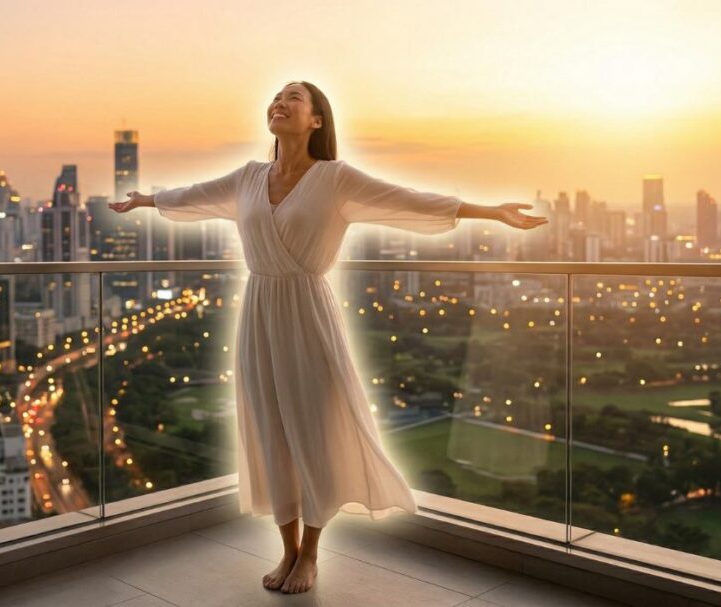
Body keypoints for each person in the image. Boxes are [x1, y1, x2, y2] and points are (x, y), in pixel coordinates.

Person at [109, 80, 547, 594]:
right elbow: (194, 194)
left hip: (309, 313)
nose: (280, 102)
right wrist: (145, 199)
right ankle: (288, 549)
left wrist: (490, 211)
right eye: (276, 96)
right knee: (271, 431)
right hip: (259, 314)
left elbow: (410, 201)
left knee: (313, 431)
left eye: (293, 97)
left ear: (317, 119)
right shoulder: (248, 177)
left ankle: (312, 552)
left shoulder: (336, 179)